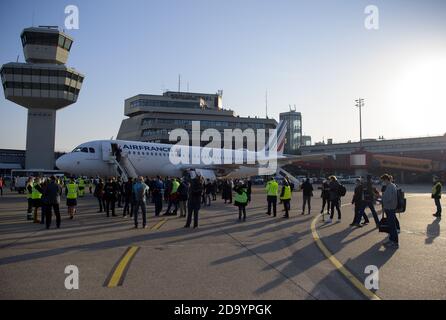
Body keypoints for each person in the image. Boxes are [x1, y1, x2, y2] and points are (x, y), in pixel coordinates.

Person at [381, 174, 399, 249]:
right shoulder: (391, 186)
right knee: (391, 225)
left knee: (392, 226)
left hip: (390, 208)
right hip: (390, 207)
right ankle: (391, 239)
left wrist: (381, 198)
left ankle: (394, 242)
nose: (383, 182)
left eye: (383, 180)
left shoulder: (390, 186)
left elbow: (389, 198)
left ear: (386, 179)